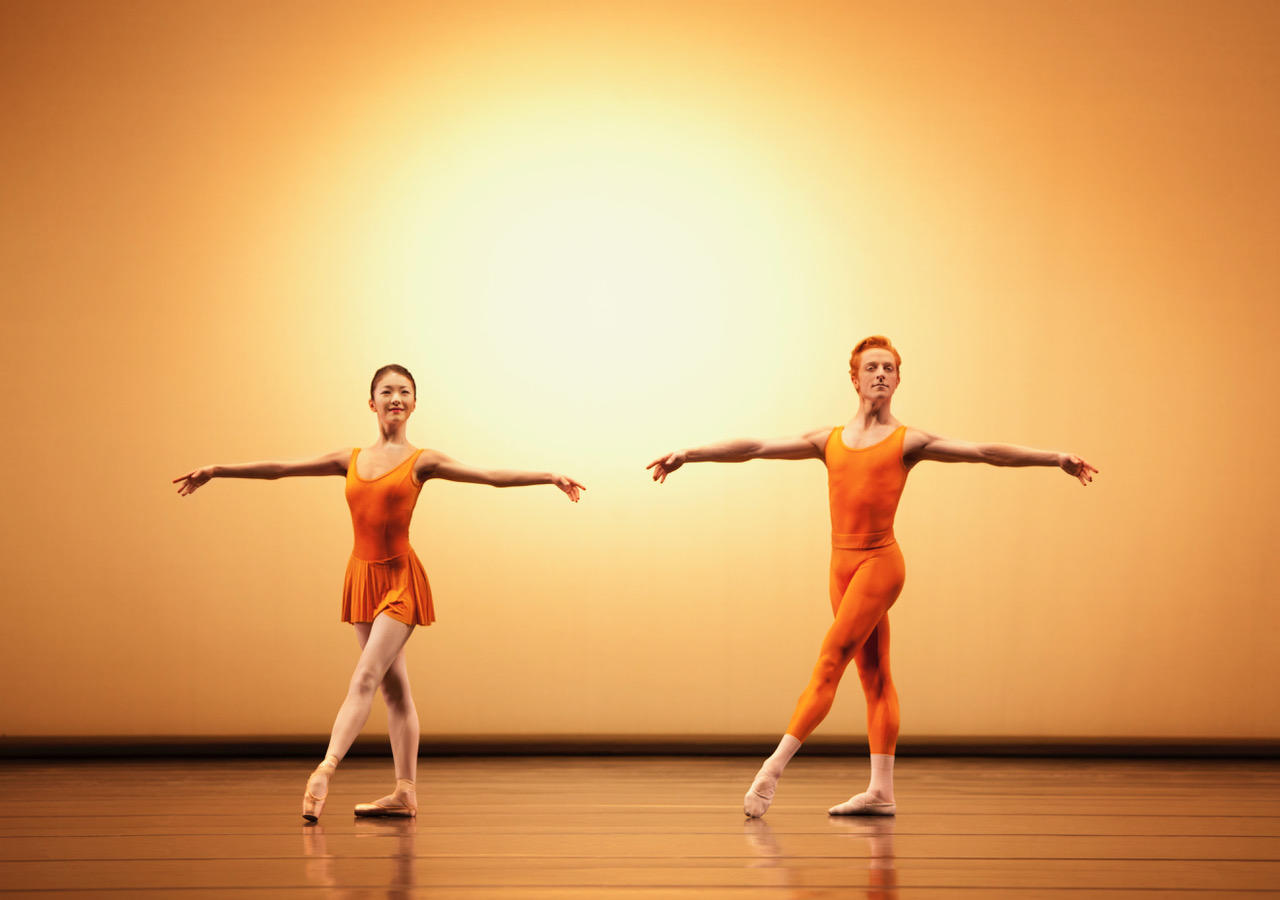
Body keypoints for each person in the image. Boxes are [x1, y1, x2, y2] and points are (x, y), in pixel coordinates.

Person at [646, 336, 1096, 818]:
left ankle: (772, 770)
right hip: (839, 568)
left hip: (880, 564)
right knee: (875, 677)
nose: (880, 374)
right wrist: (689, 454)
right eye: (871, 367)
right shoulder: (828, 440)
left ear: (898, 379)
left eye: (888, 368)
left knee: (828, 663)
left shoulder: (910, 442)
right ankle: (882, 791)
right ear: (855, 378)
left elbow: (985, 451)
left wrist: (1055, 458)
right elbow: (755, 447)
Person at [174, 364, 585, 821]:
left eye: (404, 392)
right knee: (394, 690)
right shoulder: (348, 459)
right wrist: (217, 469)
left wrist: (548, 475)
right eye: (386, 391)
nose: (395, 398)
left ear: (413, 404)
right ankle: (405, 793)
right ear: (372, 403)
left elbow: (487, 475)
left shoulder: (423, 461)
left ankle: (325, 770)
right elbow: (281, 470)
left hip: (401, 581)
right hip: (361, 578)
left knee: (366, 675)